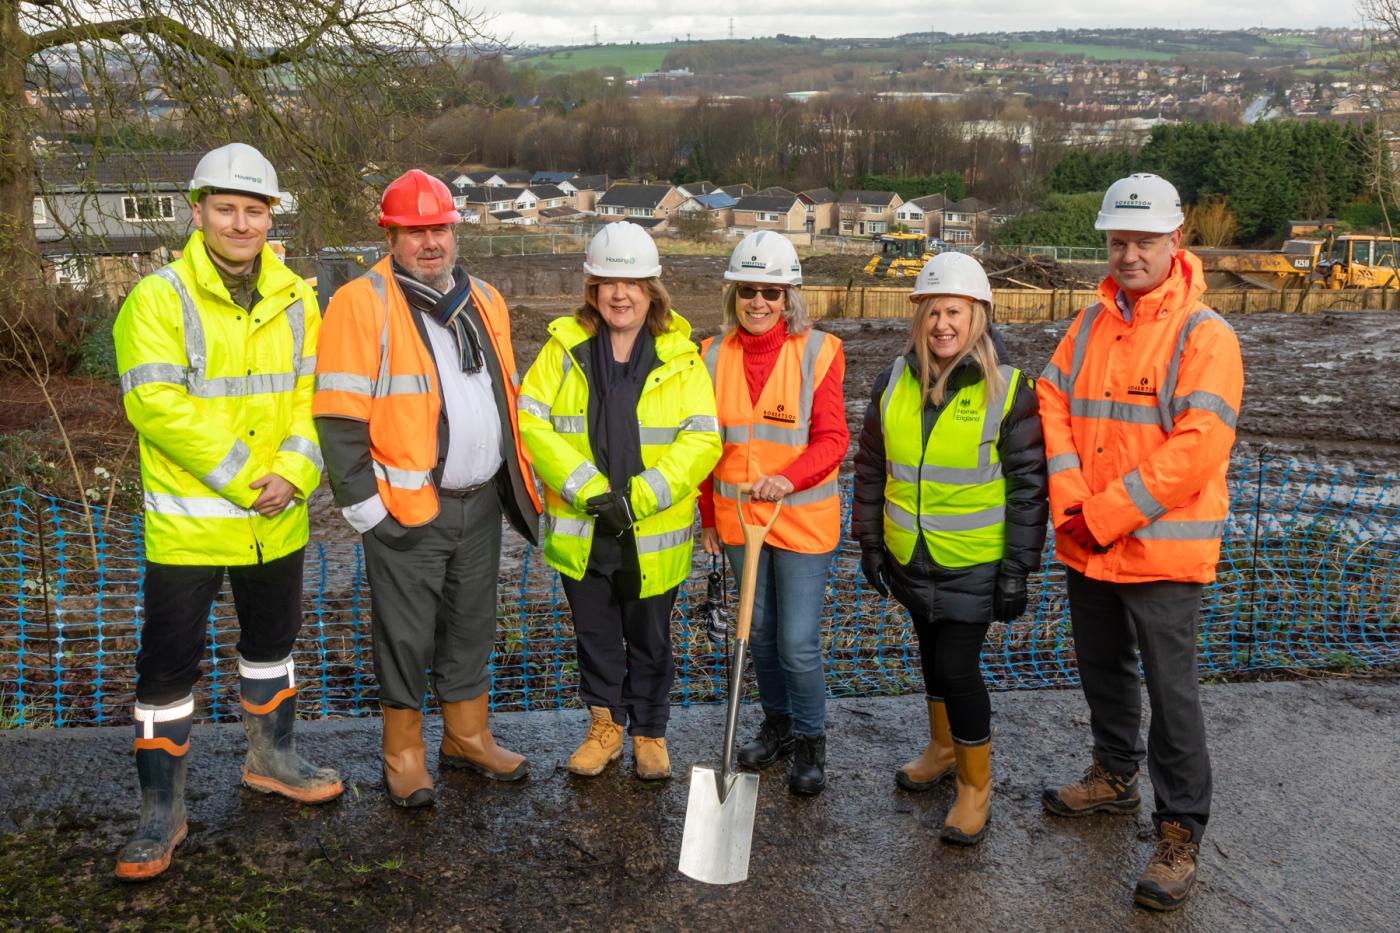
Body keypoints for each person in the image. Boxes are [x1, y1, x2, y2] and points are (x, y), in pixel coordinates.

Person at [111, 143, 340, 880]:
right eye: (228, 208)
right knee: (166, 671)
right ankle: (161, 810)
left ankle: (271, 758)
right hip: (190, 527)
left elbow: (315, 399)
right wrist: (251, 478)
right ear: (198, 209)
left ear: (271, 217)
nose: (241, 223)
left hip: (278, 517)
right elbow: (156, 404)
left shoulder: (299, 299)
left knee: (273, 648)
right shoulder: (159, 298)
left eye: (255, 210)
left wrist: (299, 474)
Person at [1037, 173, 1243, 910]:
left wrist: (1104, 513)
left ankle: (1180, 829)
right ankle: (1114, 774)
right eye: (1119, 241)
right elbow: (1052, 399)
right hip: (1088, 539)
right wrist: (1073, 503)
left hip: (1161, 552)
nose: (1128, 255)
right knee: (1103, 668)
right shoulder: (1090, 324)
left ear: (1174, 241)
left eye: (1143, 242)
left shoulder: (1205, 336)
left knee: (1172, 692)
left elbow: (1194, 449)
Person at [313, 169, 542, 808]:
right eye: (414, 232)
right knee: (405, 634)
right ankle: (404, 754)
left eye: (438, 228)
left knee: (472, 625)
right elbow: (338, 413)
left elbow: (501, 395)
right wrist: (367, 512)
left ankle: (467, 738)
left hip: (479, 503)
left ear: (454, 231)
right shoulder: (363, 302)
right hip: (406, 510)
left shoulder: (484, 300)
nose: (429, 242)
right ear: (390, 235)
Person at [852, 251, 1047, 845]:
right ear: (919, 318)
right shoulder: (894, 381)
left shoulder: (1009, 390)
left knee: (958, 670)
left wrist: (1018, 568)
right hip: (912, 558)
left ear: (979, 316)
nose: (943, 324)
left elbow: (1028, 487)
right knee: (931, 660)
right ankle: (940, 748)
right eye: (933, 311)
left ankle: (974, 786)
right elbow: (871, 467)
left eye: (955, 312)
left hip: (974, 565)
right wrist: (870, 541)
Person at [516, 222, 720, 781]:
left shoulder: (681, 357)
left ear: (652, 288)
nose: (620, 294)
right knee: (597, 636)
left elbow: (703, 438)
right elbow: (531, 421)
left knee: (651, 638)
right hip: (586, 528)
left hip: (651, 531)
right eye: (608, 282)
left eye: (632, 282)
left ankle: (650, 734)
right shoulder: (563, 350)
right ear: (592, 287)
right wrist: (588, 489)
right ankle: (605, 729)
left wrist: (641, 497)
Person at [697, 231, 848, 795]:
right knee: (757, 631)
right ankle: (778, 725)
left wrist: (788, 478)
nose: (758, 302)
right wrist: (707, 515)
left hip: (802, 520)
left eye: (771, 292)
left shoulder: (818, 350)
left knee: (797, 640)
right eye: (748, 291)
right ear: (733, 295)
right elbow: (706, 445)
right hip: (740, 523)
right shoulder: (711, 355)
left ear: (789, 297)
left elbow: (834, 439)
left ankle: (811, 741)